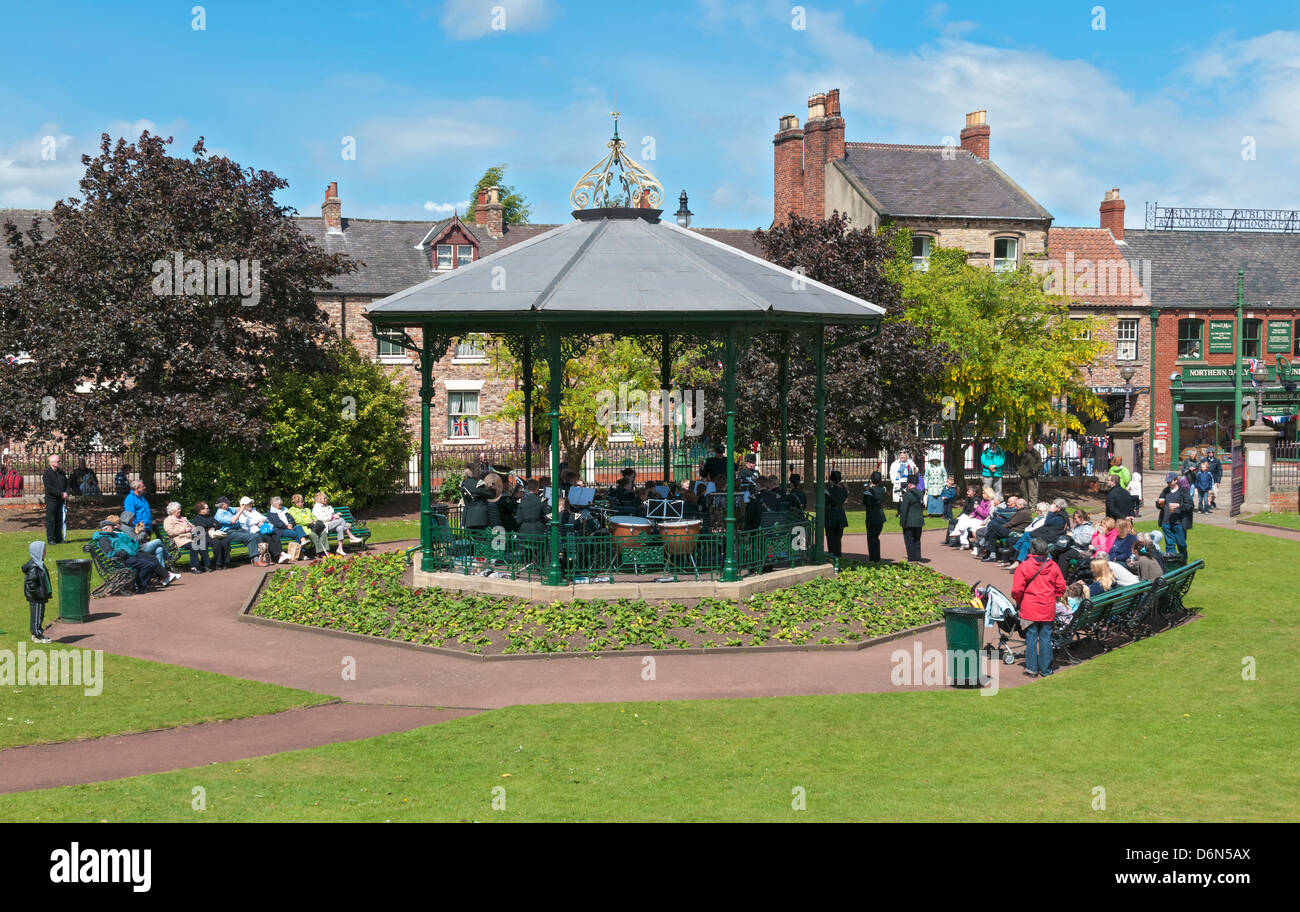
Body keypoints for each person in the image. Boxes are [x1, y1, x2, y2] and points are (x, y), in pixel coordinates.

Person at [1012, 537, 1066, 677]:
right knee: (1046, 638)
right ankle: (1046, 669)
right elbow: (1061, 586)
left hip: (1030, 607)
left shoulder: (1024, 566)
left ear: (1032, 550)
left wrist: (1019, 601)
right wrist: (1056, 596)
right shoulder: (1053, 566)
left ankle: (1031, 668)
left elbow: (1017, 590)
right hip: (1047, 606)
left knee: (1031, 637)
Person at [215, 496, 269, 566]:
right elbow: (233, 521)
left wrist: (245, 505)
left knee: (257, 535)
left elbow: (238, 508)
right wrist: (241, 510)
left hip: (238, 530)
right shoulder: (219, 514)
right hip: (229, 532)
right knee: (251, 537)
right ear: (222, 505)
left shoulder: (228, 509)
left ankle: (263, 557)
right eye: (227, 503)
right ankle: (255, 560)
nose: (228, 504)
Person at [1155, 474, 1193, 559]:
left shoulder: (1183, 491)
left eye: (1170, 480)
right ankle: (1173, 565)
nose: (1168, 482)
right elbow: (1160, 505)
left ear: (1176, 480)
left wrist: (1179, 505)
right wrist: (1158, 503)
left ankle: (1183, 562)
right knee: (1170, 545)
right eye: (1167, 481)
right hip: (1166, 522)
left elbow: (1190, 506)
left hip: (1179, 522)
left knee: (1181, 544)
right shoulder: (1165, 491)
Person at [23, 540, 53, 643]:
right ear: (37, 552)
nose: (45, 551)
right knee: (36, 615)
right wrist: (39, 593)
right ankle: (36, 635)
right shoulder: (34, 567)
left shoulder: (40, 564)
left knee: (40, 615)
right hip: (36, 597)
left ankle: (37, 633)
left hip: (40, 595)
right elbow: (30, 583)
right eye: (43, 550)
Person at [191, 501, 230, 570]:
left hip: (215, 534)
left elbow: (218, 525)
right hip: (205, 536)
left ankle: (225, 562)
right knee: (217, 543)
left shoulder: (210, 517)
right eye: (207, 508)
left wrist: (212, 527)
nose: (209, 509)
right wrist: (211, 526)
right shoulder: (197, 519)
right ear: (201, 510)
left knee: (225, 541)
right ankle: (218, 563)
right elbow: (201, 529)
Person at [267, 496, 308, 560]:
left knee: (299, 527)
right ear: (274, 505)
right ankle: (301, 554)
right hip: (280, 530)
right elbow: (277, 523)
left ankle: (303, 541)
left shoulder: (285, 509)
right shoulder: (271, 512)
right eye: (279, 504)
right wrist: (286, 526)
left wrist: (291, 524)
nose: (281, 506)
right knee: (296, 534)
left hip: (289, 527)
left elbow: (291, 518)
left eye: (281, 504)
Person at [898, 473, 925, 562]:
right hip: (919, 520)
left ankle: (912, 559)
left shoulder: (908, 494)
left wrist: (902, 522)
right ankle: (918, 558)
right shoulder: (920, 493)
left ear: (909, 484)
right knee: (917, 540)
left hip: (909, 521)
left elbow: (904, 510)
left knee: (909, 540)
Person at [42, 454, 69, 544]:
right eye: (58, 461)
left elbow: (66, 483)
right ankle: (51, 539)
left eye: (59, 461)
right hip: (51, 499)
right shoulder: (47, 474)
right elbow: (49, 488)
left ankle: (59, 538)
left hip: (60, 499)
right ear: (52, 462)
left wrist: (66, 492)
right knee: (51, 519)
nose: (59, 463)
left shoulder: (61, 473)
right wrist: (61, 493)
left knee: (59, 519)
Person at [863, 471, 889, 562]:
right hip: (880, 515)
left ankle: (873, 558)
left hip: (871, 516)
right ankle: (877, 557)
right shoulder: (883, 489)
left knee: (871, 538)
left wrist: (867, 489)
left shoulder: (868, 491)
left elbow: (865, 502)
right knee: (876, 538)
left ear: (871, 480)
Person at [824, 470, 849, 558]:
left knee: (830, 538)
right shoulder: (844, 491)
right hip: (840, 514)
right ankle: (839, 556)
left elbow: (825, 503)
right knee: (838, 539)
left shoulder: (828, 491)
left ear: (832, 480)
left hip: (831, 514)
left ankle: (832, 557)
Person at [1017, 443, 1043, 507]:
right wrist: (1019, 470)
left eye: (1031, 445)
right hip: (1023, 475)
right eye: (1028, 445)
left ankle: (1032, 506)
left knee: (1033, 493)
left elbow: (1039, 463)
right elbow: (1017, 462)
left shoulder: (1036, 453)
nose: (1029, 446)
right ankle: (1025, 506)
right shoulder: (1022, 453)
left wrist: (1035, 469)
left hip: (1032, 476)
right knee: (1024, 492)